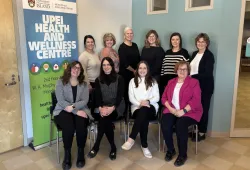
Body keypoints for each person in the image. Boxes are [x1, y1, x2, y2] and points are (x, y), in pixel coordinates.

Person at [161, 61, 202, 167]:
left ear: (188, 71)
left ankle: (183, 155)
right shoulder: (171, 82)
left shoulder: (194, 82)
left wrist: (183, 111)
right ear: (176, 70)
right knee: (165, 125)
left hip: (189, 112)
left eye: (185, 69)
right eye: (180, 69)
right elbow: (164, 98)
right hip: (172, 110)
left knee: (181, 125)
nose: (182, 71)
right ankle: (171, 150)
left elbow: (196, 100)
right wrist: (170, 109)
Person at [53, 61, 93, 170]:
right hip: (62, 110)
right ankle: (67, 154)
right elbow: (61, 100)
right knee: (69, 127)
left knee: (81, 125)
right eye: (74, 68)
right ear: (69, 69)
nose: (76, 70)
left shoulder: (83, 84)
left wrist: (74, 108)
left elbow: (85, 100)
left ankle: (80, 152)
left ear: (81, 71)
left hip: (80, 109)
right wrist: (75, 111)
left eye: (78, 68)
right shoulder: (60, 82)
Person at [87, 57, 125, 160]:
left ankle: (96, 146)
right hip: (103, 106)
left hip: (117, 106)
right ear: (102, 67)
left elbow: (120, 96)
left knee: (104, 120)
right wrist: (101, 108)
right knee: (105, 119)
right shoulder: (98, 80)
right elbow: (98, 97)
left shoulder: (119, 78)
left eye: (108, 64)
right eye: (104, 65)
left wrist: (112, 108)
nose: (106, 67)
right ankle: (113, 147)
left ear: (112, 66)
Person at [121, 61, 159, 158]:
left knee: (144, 112)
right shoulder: (132, 81)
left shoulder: (153, 81)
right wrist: (140, 104)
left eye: (144, 68)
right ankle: (144, 146)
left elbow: (157, 97)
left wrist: (148, 102)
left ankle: (131, 138)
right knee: (143, 115)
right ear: (137, 70)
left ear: (147, 70)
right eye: (140, 68)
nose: (142, 70)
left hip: (151, 107)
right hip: (136, 108)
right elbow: (131, 98)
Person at [190, 33, 215, 141]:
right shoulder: (194, 53)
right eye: (199, 41)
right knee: (195, 108)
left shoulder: (209, 55)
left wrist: (192, 76)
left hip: (205, 87)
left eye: (203, 41)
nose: (200, 43)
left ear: (206, 43)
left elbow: (207, 73)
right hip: (194, 87)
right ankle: (195, 129)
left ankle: (202, 132)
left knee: (204, 109)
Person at [118, 27, 140, 113]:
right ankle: (126, 114)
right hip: (126, 74)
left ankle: (134, 112)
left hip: (136, 74)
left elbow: (138, 59)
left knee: (135, 93)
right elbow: (124, 63)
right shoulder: (122, 47)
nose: (129, 35)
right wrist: (134, 71)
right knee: (127, 94)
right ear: (124, 35)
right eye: (128, 33)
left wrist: (138, 70)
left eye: (131, 33)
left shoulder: (135, 45)